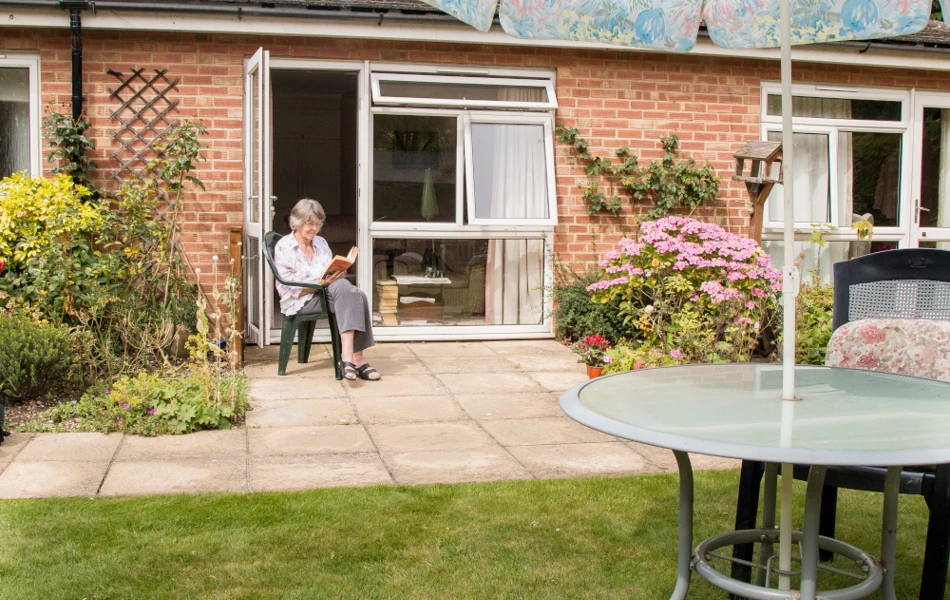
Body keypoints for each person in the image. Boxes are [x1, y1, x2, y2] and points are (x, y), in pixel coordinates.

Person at [274, 198, 381, 381]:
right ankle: (356, 357)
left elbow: (327, 272)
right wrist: (320, 284)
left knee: (351, 292)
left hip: (325, 293)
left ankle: (348, 357)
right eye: (310, 223)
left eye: (318, 224)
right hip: (300, 298)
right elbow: (288, 288)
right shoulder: (285, 246)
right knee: (357, 295)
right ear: (297, 221)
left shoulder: (321, 243)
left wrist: (336, 273)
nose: (314, 228)